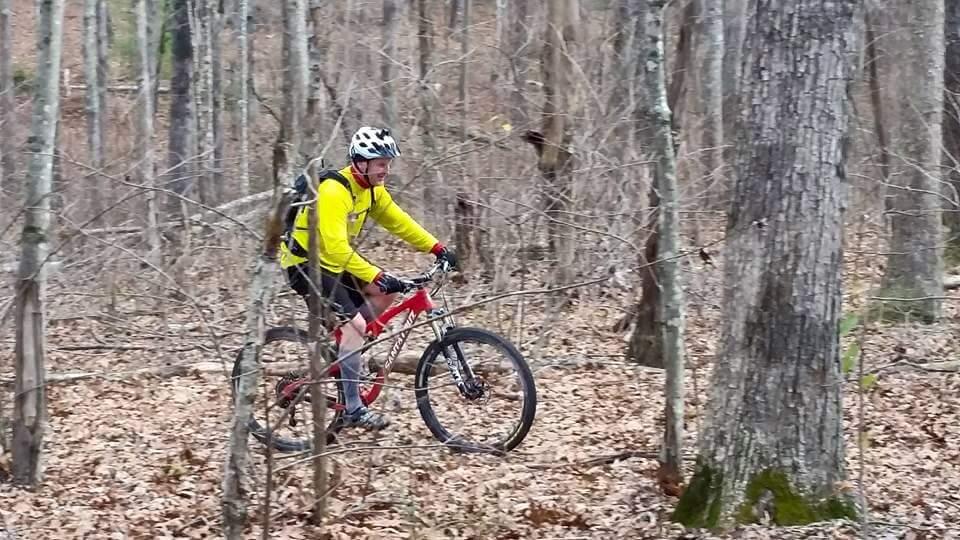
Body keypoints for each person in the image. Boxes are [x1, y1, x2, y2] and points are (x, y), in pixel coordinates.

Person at [279, 126, 457, 431]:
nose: (386, 169)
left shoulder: (372, 189)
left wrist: (437, 248)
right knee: (357, 325)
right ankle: (352, 407)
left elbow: (398, 221)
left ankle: (347, 353)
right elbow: (335, 248)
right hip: (305, 265)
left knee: (384, 294)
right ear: (360, 162)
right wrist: (378, 273)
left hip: (333, 263)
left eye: (388, 163)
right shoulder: (335, 191)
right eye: (380, 163)